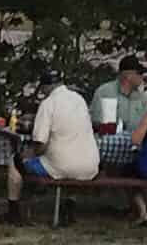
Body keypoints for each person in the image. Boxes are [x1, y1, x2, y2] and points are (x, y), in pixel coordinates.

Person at [9, 75, 100, 222]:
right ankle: (69, 208)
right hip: (90, 166)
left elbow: (40, 145)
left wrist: (26, 155)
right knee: (72, 167)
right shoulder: (79, 99)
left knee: (15, 161)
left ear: (45, 87)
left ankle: (13, 211)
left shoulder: (48, 104)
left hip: (63, 167)